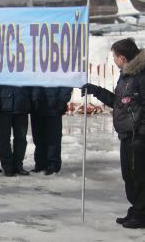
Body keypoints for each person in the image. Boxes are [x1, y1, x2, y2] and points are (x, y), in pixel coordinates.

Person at [82, 38, 145, 229]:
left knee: (139, 176)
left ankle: (142, 214)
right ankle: (136, 209)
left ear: (123, 57)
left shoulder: (140, 76)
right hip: (127, 134)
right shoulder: (126, 76)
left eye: (114, 57)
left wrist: (141, 130)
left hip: (138, 135)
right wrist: (95, 90)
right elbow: (118, 102)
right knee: (130, 176)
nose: (113, 60)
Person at [30, 87, 72, 175]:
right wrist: (32, 98)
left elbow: (66, 82)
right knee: (38, 137)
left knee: (53, 137)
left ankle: (53, 164)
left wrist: (62, 100)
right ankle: (40, 164)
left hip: (54, 105)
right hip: (36, 105)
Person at [0, 85, 31, 176]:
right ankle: (7, 167)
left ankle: (18, 165)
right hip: (3, 105)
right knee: (4, 139)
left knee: (21, 139)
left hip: (21, 106)